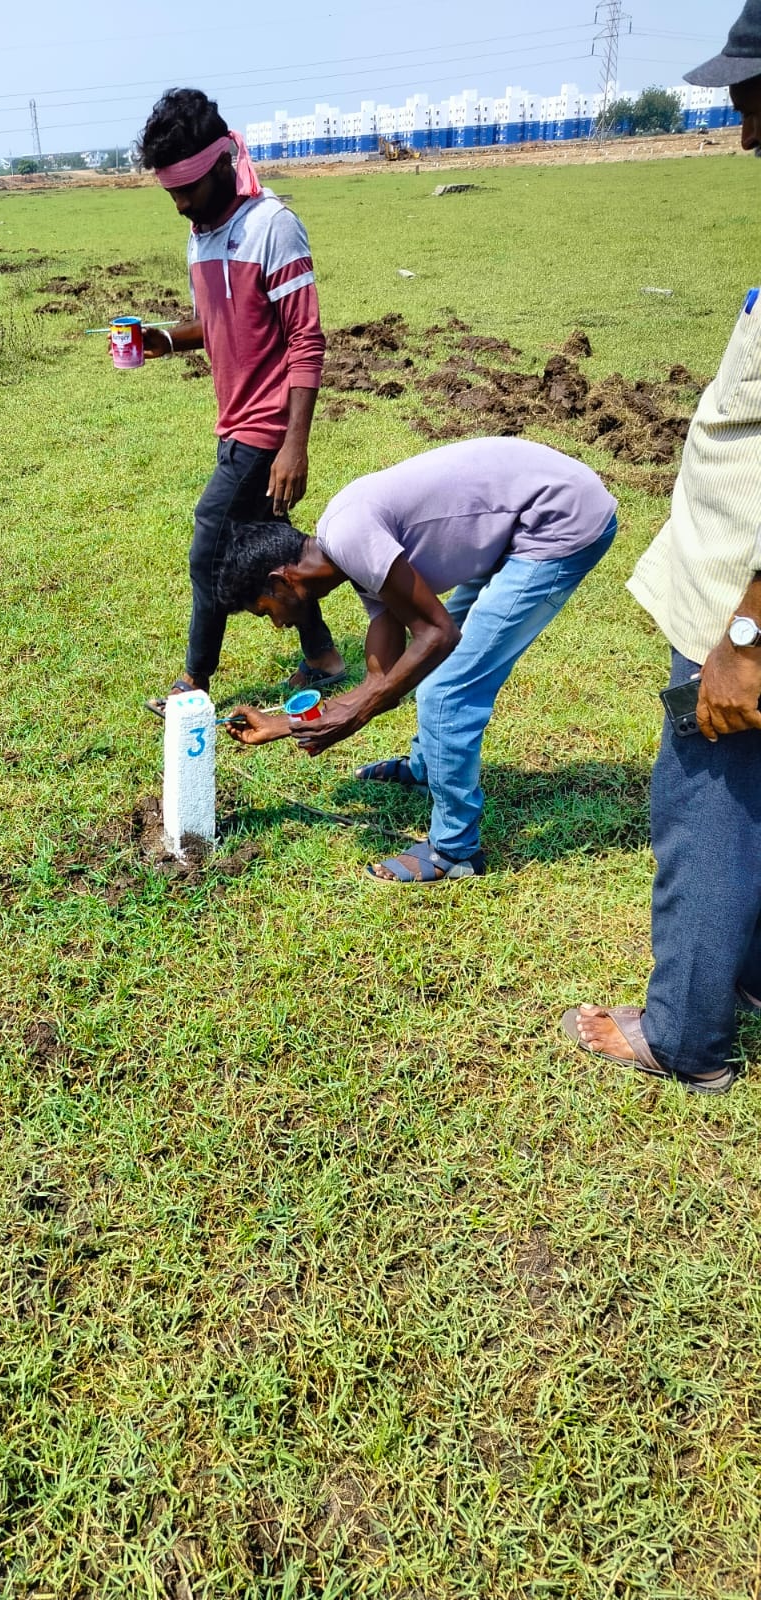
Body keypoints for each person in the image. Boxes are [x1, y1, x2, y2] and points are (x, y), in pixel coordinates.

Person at [563, 4, 761, 1095]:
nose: (744, 132)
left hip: (745, 595)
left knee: (703, 794)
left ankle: (683, 1035)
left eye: (750, 96)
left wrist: (746, 632)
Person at [216, 437, 618, 884]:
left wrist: (358, 713)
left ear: (280, 582)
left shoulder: (351, 538)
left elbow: (438, 635)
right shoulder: (347, 552)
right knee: (432, 673)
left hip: (559, 519)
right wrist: (286, 725)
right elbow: (381, 676)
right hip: (525, 516)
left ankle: (454, 850)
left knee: (447, 689)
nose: (276, 625)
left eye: (265, 611)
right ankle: (431, 765)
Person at [135, 87, 346, 716]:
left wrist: (294, 444)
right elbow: (214, 322)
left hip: (266, 428)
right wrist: (165, 339)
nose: (180, 205)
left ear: (225, 161)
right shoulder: (201, 235)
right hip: (231, 422)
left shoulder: (272, 226)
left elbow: (306, 339)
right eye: (170, 192)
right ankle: (325, 656)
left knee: (211, 546)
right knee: (275, 544)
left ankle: (194, 683)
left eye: (188, 189)